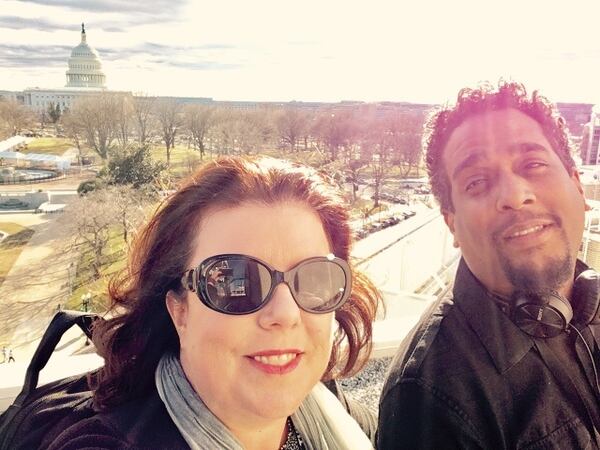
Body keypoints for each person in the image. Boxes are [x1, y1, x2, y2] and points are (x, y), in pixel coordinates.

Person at [49, 156, 381, 450]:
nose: (285, 313)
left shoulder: (347, 420)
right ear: (179, 310)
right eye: (236, 282)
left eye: (312, 277)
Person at [377, 81, 600, 449]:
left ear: (578, 186)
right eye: (477, 182)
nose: (514, 195)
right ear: (452, 224)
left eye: (533, 164)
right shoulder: (429, 396)